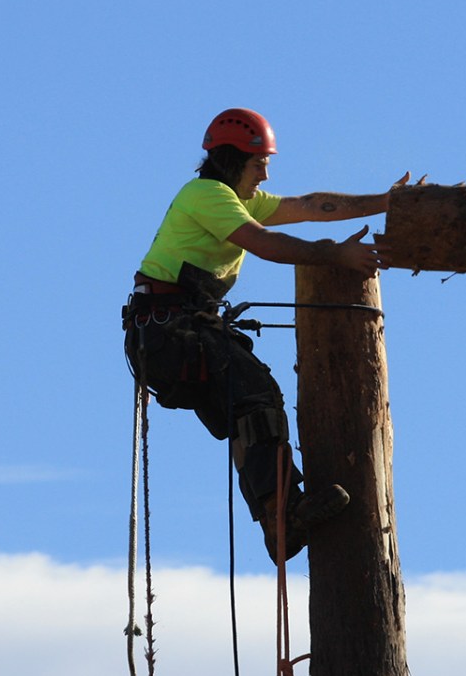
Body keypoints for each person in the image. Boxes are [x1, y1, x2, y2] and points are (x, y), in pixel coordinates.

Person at [123, 108, 401, 563]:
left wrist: (385, 202)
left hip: (176, 330)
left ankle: (280, 522)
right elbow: (265, 243)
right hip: (169, 331)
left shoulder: (237, 199)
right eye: (259, 164)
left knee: (248, 412)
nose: (266, 173)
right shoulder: (208, 195)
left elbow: (311, 206)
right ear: (233, 162)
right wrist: (336, 257)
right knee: (256, 399)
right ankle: (281, 512)